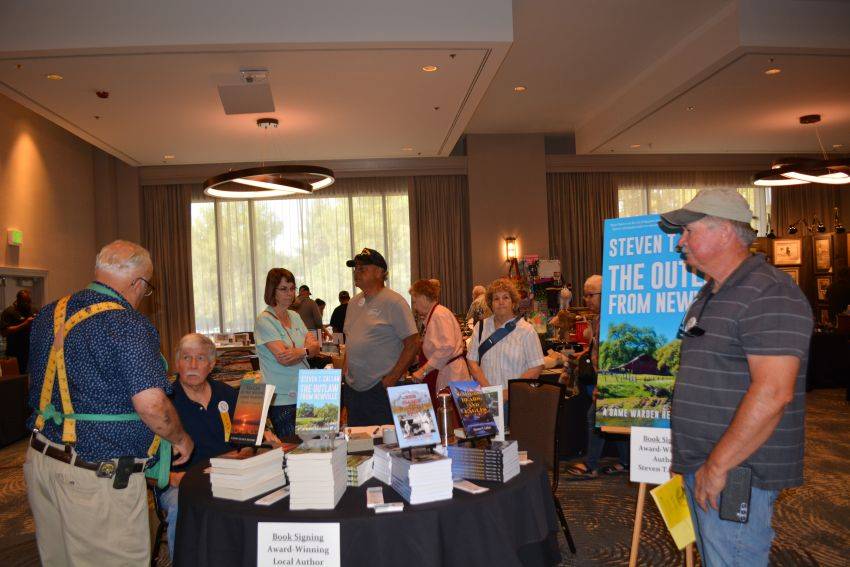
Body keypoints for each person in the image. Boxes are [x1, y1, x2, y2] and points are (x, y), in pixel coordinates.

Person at [661, 188, 812, 566]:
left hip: (736, 470)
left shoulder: (769, 293)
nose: (680, 242)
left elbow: (774, 392)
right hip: (707, 463)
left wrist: (718, 465)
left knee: (734, 559)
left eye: (689, 232)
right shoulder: (712, 293)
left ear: (725, 231)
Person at [24, 240, 194, 566]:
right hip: (95, 475)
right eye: (146, 289)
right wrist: (180, 438)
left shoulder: (49, 314)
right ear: (138, 283)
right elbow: (152, 406)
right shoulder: (125, 323)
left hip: (42, 460)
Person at [158, 333, 238, 561]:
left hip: (226, 474)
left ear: (211, 364)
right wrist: (172, 477)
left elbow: (245, 442)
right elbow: (148, 456)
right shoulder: (163, 401)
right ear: (177, 363)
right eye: (186, 357)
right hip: (179, 481)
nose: (192, 365)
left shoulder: (228, 395)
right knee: (182, 507)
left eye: (200, 358)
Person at [343, 248, 419, 426]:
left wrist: (391, 379)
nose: (357, 272)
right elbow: (351, 340)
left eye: (363, 269)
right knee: (357, 447)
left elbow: (413, 343)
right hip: (354, 390)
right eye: (356, 269)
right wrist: (345, 373)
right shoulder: (353, 303)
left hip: (380, 389)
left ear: (379, 272)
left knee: (384, 447)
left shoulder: (394, 302)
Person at [566, 275, 629, 479]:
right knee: (613, 420)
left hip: (612, 380)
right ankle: (626, 462)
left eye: (590, 295)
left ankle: (591, 465)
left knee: (594, 417)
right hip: (603, 378)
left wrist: (602, 383)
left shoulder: (614, 318)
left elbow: (614, 355)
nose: (586, 300)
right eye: (585, 295)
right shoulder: (600, 317)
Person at [254, 269, 321, 438]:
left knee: (315, 447)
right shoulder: (265, 320)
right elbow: (285, 358)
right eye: (283, 289)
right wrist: (306, 350)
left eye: (292, 288)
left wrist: (301, 351)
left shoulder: (295, 315)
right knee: (293, 452)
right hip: (283, 399)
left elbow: (316, 347)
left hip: (307, 393)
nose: (290, 293)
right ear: (272, 291)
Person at [467, 278, 545, 419]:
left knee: (512, 441)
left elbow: (536, 367)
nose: (501, 302)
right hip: (485, 399)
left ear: (513, 302)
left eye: (506, 297)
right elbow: (472, 361)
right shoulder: (481, 327)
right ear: (490, 303)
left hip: (515, 401)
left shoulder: (526, 330)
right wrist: (487, 389)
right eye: (496, 298)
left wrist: (507, 393)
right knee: (487, 441)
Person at [409, 279, 470, 404]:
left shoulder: (439, 314)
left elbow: (446, 347)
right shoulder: (435, 314)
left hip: (452, 374)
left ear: (424, 298)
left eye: (415, 302)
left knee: (453, 417)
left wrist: (423, 371)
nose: (414, 307)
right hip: (448, 371)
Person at [1, 289, 35, 373]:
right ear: (19, 300)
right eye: (25, 302)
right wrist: (25, 323)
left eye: (29, 301)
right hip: (14, 354)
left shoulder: (32, 310)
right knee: (16, 380)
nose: (28, 304)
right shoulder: (9, 312)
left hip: (30, 352)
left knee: (29, 379)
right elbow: (4, 332)